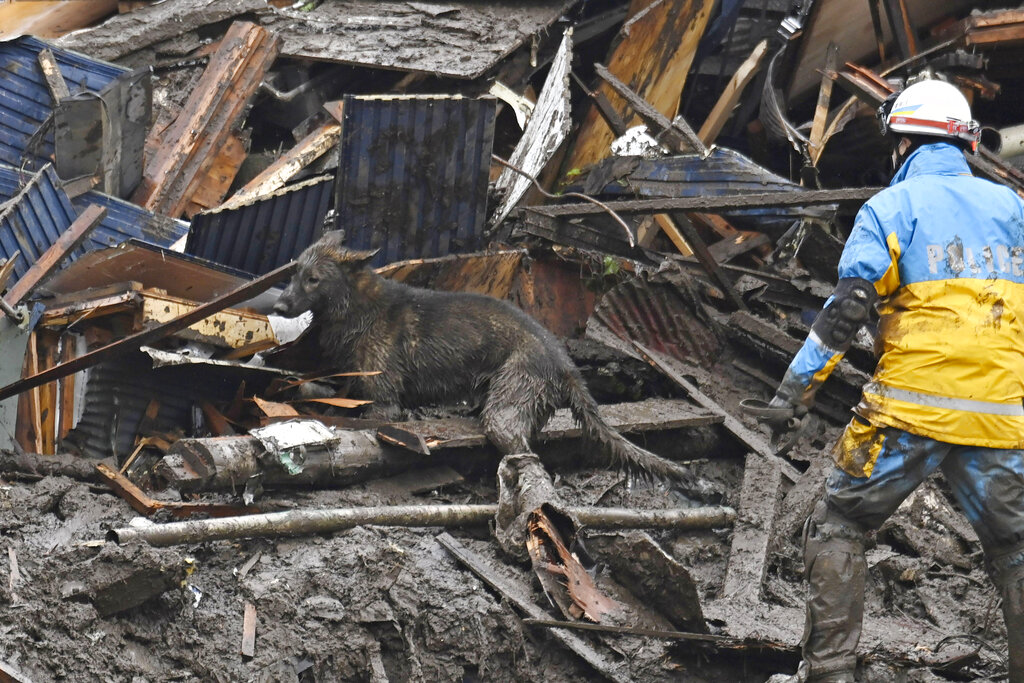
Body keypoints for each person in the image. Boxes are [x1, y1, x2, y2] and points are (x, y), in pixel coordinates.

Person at [763, 77, 1024, 682]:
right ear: (963, 145)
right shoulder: (1013, 208)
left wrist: (791, 395)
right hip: (1000, 418)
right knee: (1016, 550)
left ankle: (829, 673)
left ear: (902, 143)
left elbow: (848, 311)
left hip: (906, 413)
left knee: (838, 524)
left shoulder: (890, 207)